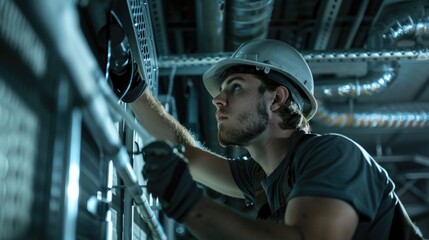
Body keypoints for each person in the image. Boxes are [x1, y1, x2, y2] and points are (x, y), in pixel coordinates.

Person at [113, 39, 423, 239]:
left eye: (234, 87)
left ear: (276, 99)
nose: (217, 100)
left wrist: (189, 206)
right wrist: (134, 89)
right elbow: (187, 153)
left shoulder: (332, 155)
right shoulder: (264, 176)